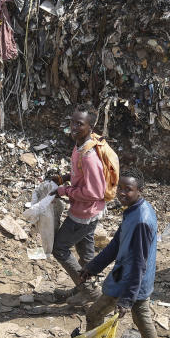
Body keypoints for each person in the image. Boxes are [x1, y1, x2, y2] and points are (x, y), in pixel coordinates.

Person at [60, 168, 165, 338]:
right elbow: (116, 244)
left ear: (140, 191)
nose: (122, 194)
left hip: (128, 281)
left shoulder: (141, 220)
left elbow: (138, 264)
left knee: (94, 314)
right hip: (135, 281)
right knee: (144, 324)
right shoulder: (135, 211)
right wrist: (92, 267)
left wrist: (127, 298)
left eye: (129, 190)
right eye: (120, 189)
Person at [47, 104, 108, 306]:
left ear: (90, 127)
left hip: (83, 214)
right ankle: (85, 289)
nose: (73, 127)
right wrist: (63, 178)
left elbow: (95, 192)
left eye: (79, 124)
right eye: (72, 122)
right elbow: (81, 176)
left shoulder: (89, 156)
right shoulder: (81, 145)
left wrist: (65, 191)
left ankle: (88, 291)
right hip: (90, 212)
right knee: (86, 255)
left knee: (60, 249)